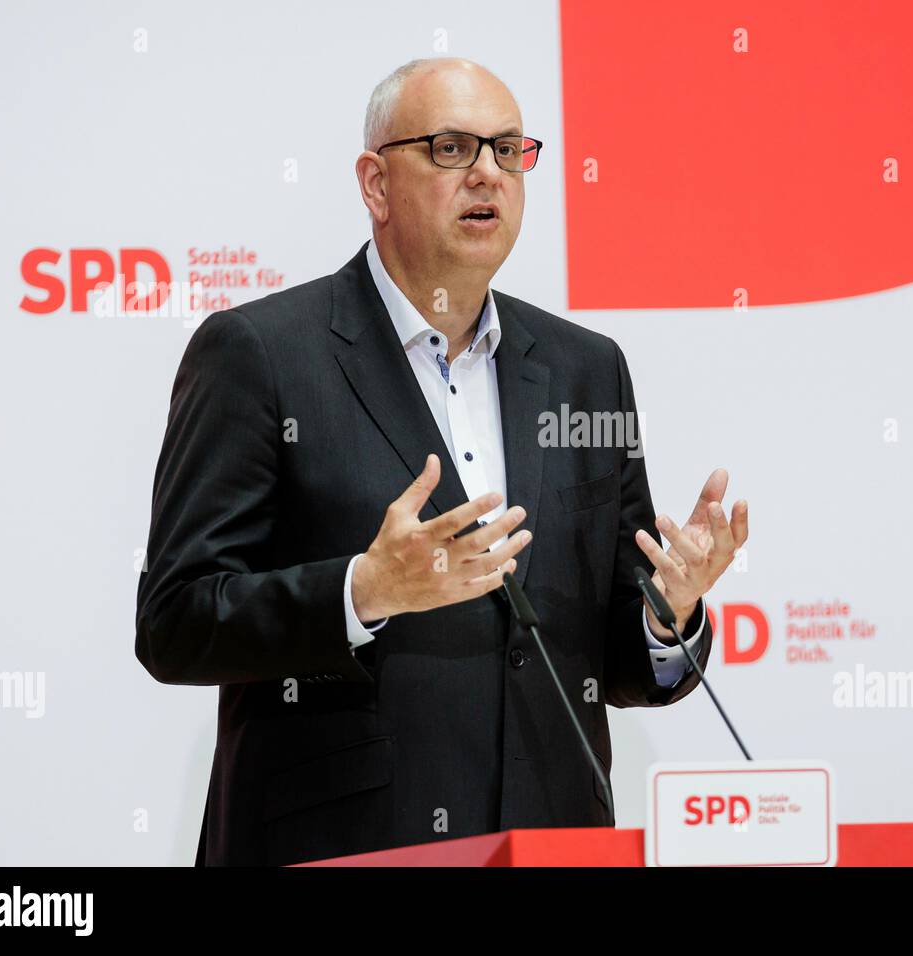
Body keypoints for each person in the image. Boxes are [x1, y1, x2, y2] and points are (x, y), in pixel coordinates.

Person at [135, 57, 749, 866]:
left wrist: (669, 612)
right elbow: (176, 622)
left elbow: (612, 666)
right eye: (453, 148)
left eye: (506, 148)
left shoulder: (586, 369)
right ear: (376, 183)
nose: (488, 172)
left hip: (548, 840)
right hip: (345, 843)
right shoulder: (260, 354)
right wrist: (363, 591)